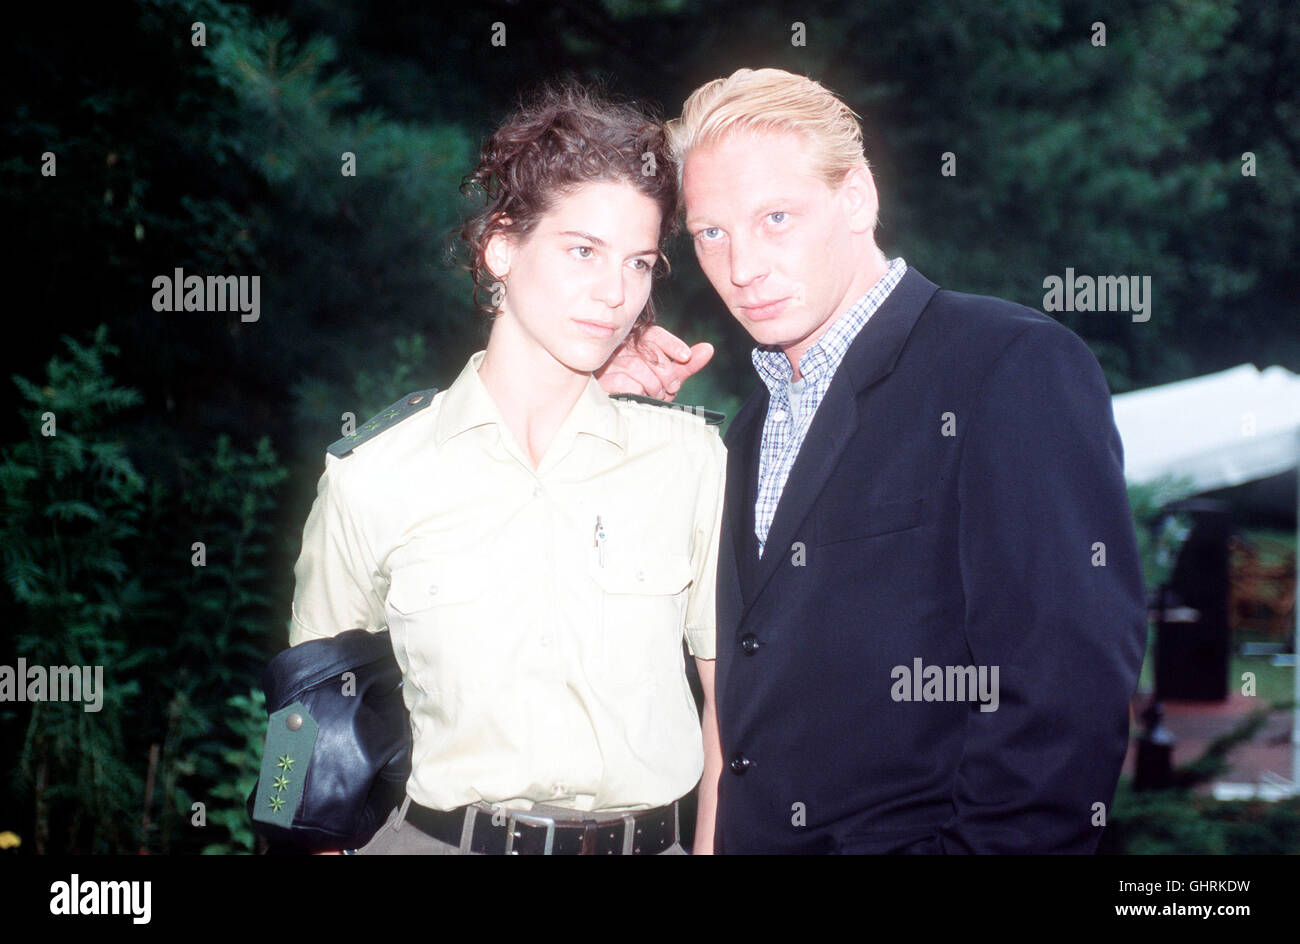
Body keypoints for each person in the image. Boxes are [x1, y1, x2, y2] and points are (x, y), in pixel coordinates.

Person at [599, 68, 1148, 853]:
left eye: (776, 217)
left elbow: (1064, 694)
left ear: (857, 197)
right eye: (712, 233)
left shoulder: (1008, 367)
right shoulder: (751, 427)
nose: (742, 265)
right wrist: (606, 413)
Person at [288, 83, 726, 855]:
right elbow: (303, 731)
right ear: (501, 246)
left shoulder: (690, 463)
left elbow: (735, 719)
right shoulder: (373, 475)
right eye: (582, 251)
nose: (615, 293)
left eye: (640, 263)